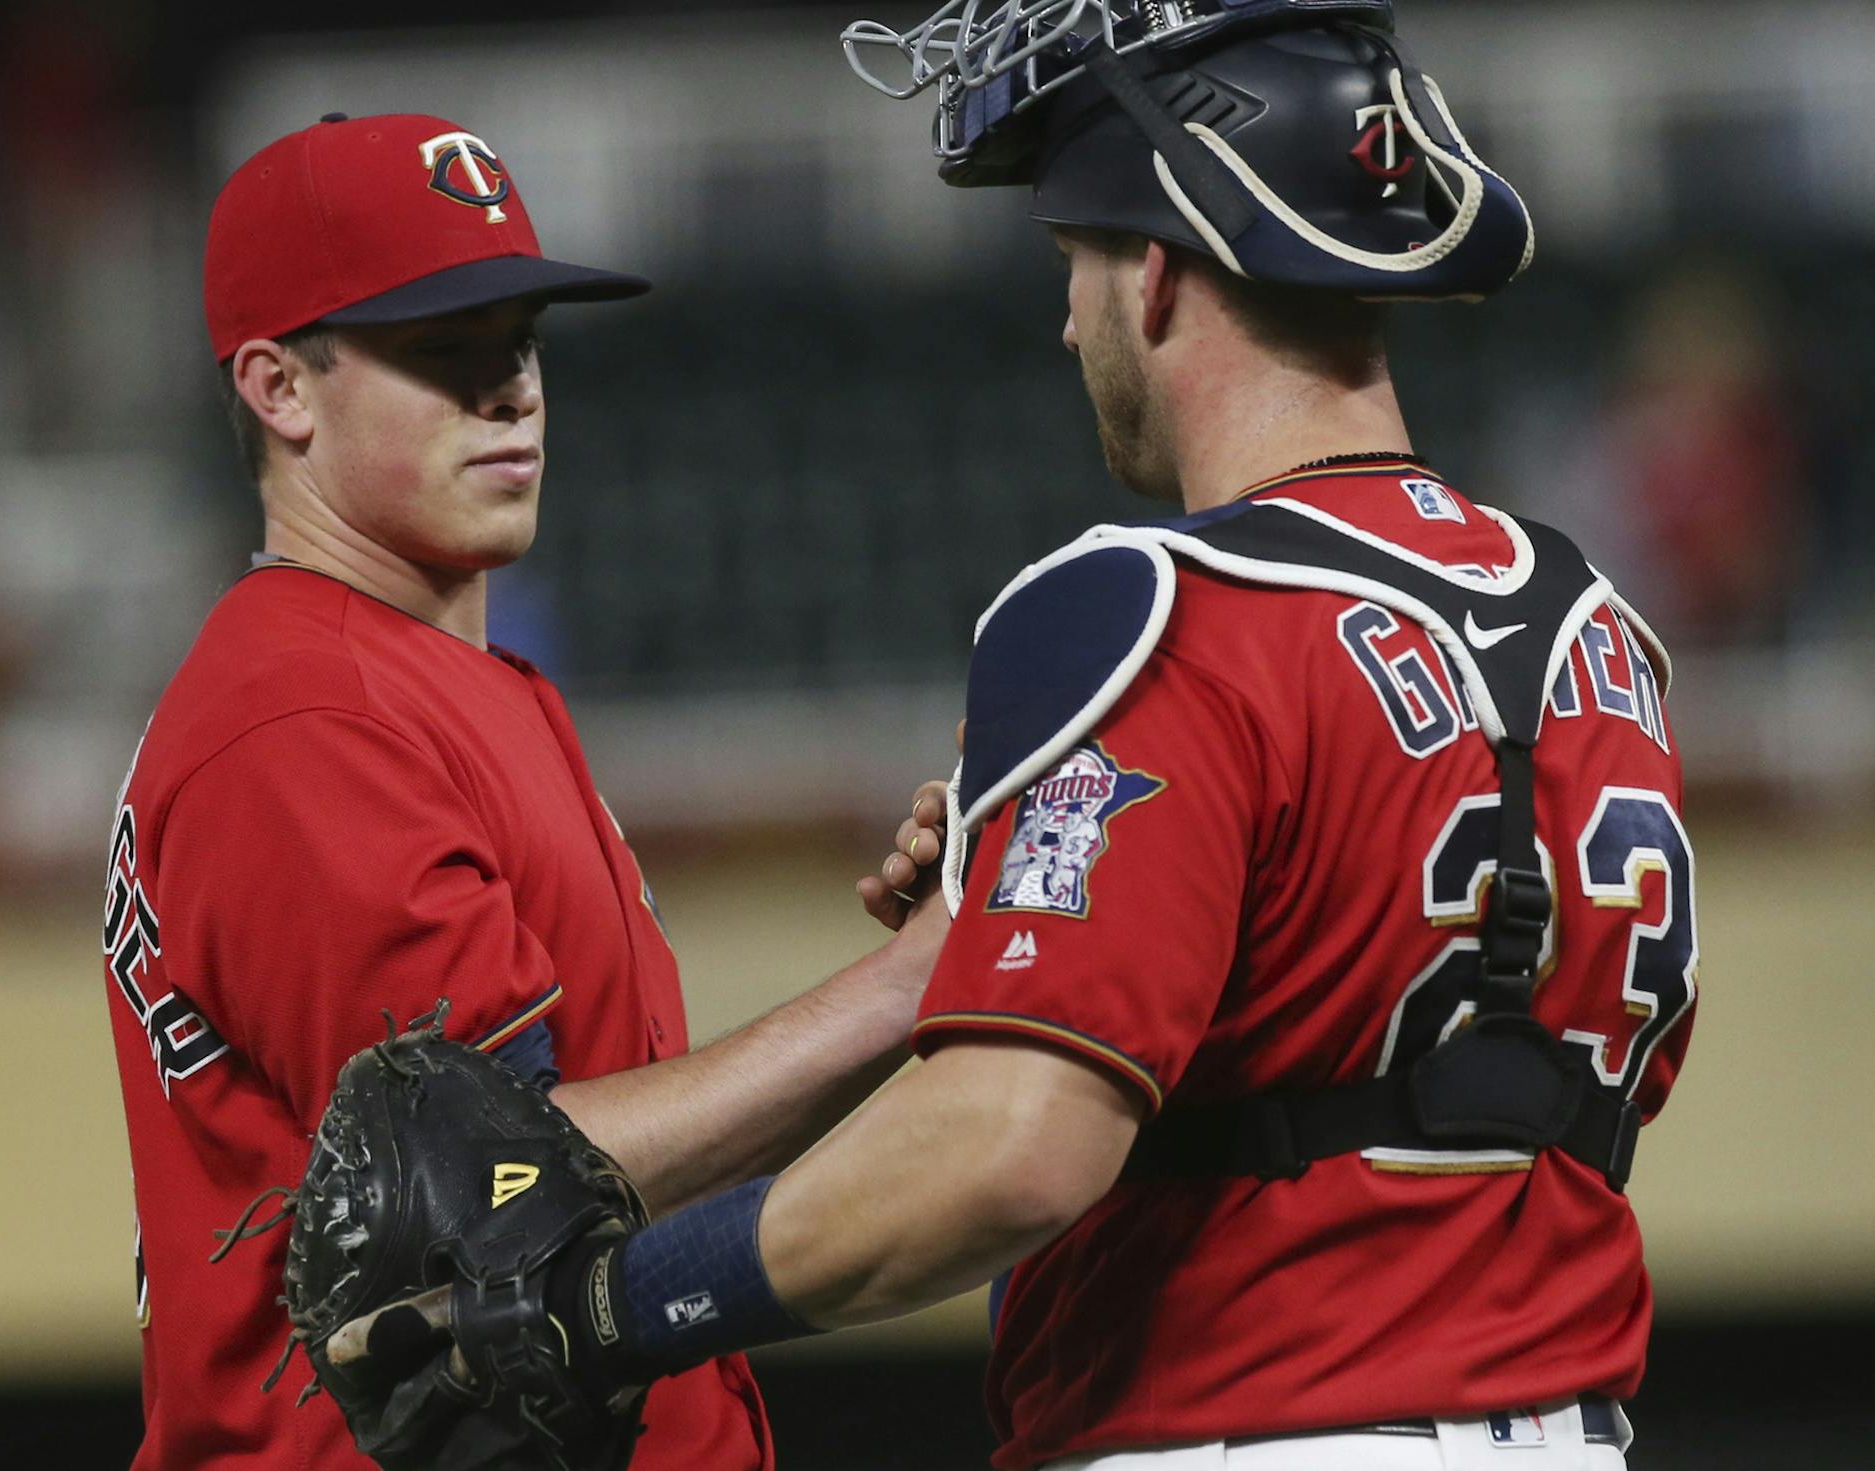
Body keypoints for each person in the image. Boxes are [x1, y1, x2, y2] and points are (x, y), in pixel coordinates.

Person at [401, 7, 1696, 1470]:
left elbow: (1009, 1147)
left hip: (1248, 1430)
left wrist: (604, 1306)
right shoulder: (1599, 627)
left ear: (1157, 271)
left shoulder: (1153, 605)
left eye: (1075, 263)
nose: (1068, 318)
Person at [100, 112, 949, 1471]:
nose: (511, 392)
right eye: (444, 354)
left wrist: (929, 983)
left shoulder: (422, 680)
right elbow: (492, 1204)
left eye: (522, 341)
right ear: (280, 388)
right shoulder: (309, 716)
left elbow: (613, 1174)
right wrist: (915, 985)